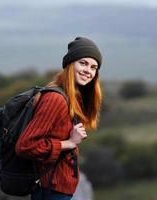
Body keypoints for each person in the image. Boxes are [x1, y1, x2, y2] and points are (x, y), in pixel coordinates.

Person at [15, 36, 103, 200]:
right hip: (51, 191)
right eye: (83, 63)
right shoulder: (56, 99)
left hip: (57, 189)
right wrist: (69, 143)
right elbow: (25, 145)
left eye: (93, 67)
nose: (88, 70)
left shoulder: (71, 97)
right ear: (70, 64)